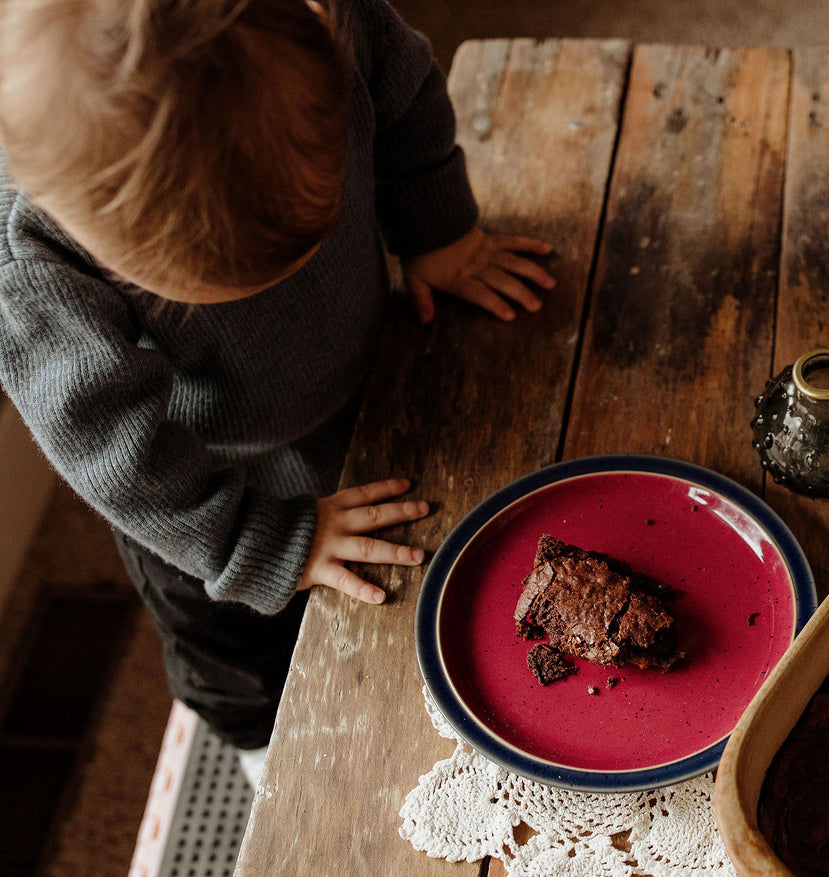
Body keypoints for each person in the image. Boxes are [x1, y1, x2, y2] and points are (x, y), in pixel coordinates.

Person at [0, 0, 555, 784]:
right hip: (204, 493)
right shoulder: (32, 259)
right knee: (238, 666)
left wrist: (439, 232)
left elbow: (405, 102)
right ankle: (269, 759)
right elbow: (108, 449)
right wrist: (252, 545)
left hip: (357, 384)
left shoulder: (322, 24)